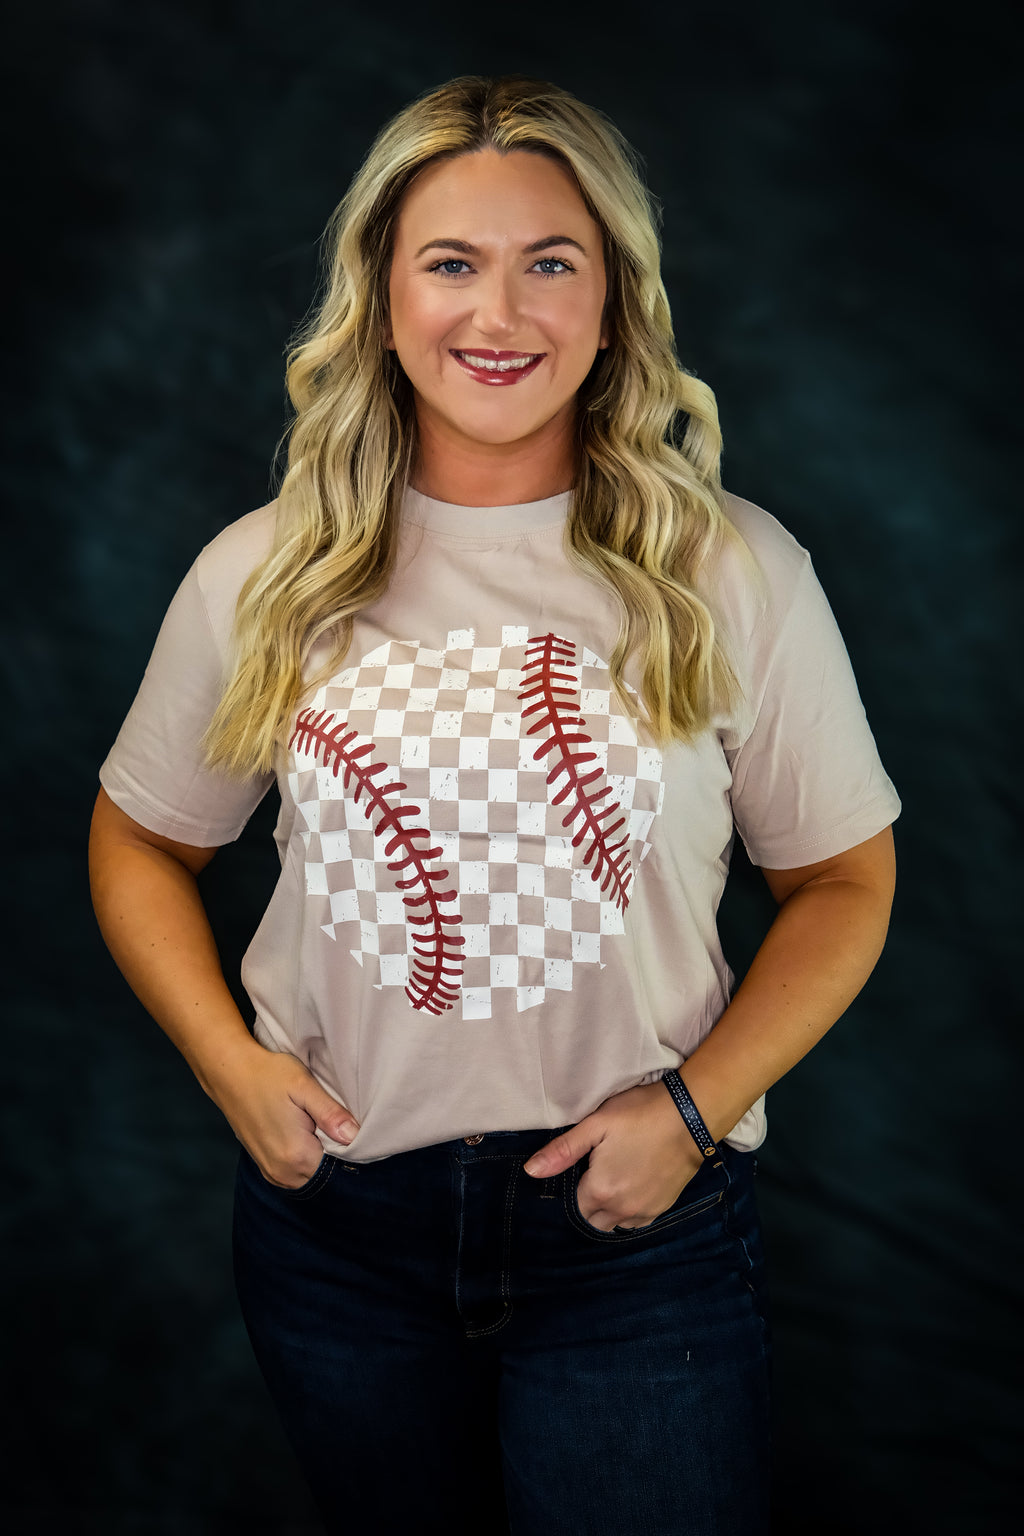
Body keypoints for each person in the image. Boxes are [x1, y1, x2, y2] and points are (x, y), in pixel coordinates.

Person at [89, 73, 900, 1536]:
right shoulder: (264, 574)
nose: (499, 314)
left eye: (551, 263)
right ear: (383, 298)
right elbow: (143, 836)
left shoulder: (733, 569)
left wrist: (693, 1113)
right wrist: (228, 1066)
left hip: (635, 1231)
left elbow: (847, 880)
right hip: (338, 1233)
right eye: (451, 263)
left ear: (614, 304)